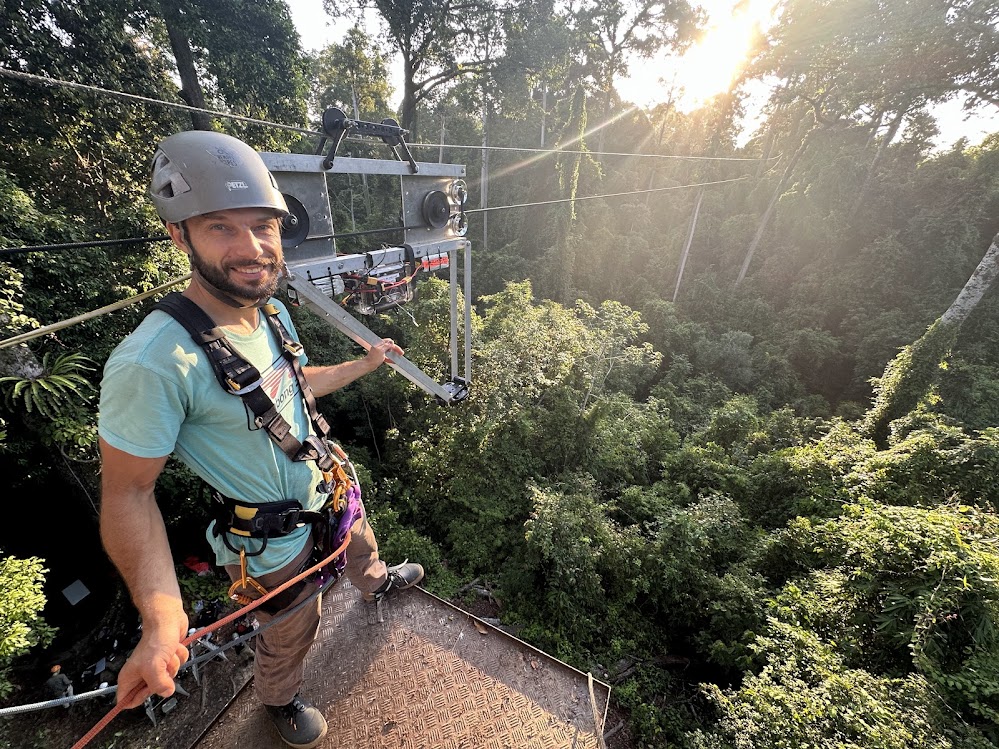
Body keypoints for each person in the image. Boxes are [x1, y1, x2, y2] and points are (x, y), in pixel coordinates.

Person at [98, 130, 424, 749]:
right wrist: (163, 616)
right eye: (221, 227)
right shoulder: (154, 362)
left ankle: (376, 580)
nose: (251, 247)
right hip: (272, 542)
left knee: (362, 547)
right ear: (181, 235)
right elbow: (128, 495)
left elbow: (291, 386)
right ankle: (280, 699)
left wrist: (365, 363)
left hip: (328, 481)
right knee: (292, 632)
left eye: (263, 226)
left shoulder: (268, 311)